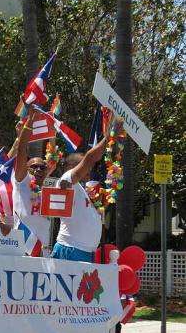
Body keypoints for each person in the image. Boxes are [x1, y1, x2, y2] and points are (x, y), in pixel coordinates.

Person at [51, 113, 121, 262]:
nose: (89, 169)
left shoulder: (82, 189)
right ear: (71, 167)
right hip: (70, 249)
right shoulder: (66, 180)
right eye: (83, 165)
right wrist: (109, 137)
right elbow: (90, 159)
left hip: (85, 252)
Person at [12, 109, 55, 256]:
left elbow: (53, 160)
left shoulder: (47, 190)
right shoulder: (21, 181)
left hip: (44, 249)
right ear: (26, 168)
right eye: (34, 167)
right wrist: (29, 124)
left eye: (42, 167)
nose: (38, 170)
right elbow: (21, 150)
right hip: (22, 246)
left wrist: (52, 135)